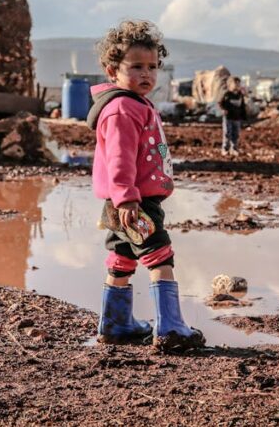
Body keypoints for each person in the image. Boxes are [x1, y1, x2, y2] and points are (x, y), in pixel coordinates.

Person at [86, 19, 205, 352]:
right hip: (134, 202)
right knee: (160, 256)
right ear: (112, 70)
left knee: (122, 256)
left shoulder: (136, 104)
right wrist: (126, 199)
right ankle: (171, 328)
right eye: (136, 66)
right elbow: (119, 158)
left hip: (125, 200)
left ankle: (115, 325)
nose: (146, 74)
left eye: (152, 66)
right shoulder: (122, 109)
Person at [219, 76, 247, 156]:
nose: (237, 86)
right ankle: (225, 149)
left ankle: (234, 148)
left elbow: (242, 106)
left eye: (238, 84)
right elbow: (220, 103)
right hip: (228, 117)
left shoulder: (240, 95)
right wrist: (223, 110)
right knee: (227, 133)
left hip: (237, 118)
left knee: (236, 134)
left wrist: (244, 116)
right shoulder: (227, 95)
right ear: (229, 85)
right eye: (235, 84)